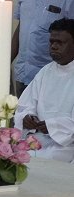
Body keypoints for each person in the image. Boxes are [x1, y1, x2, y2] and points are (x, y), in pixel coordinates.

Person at [12, 0, 74, 96]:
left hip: (53, 75)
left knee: (48, 120)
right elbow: (22, 27)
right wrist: (6, 61)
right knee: (21, 119)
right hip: (23, 73)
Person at [15, 18, 74, 162]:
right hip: (37, 138)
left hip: (66, 145)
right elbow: (24, 106)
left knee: (43, 159)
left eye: (60, 42)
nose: (54, 46)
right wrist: (28, 117)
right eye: (52, 41)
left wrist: (53, 126)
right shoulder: (45, 72)